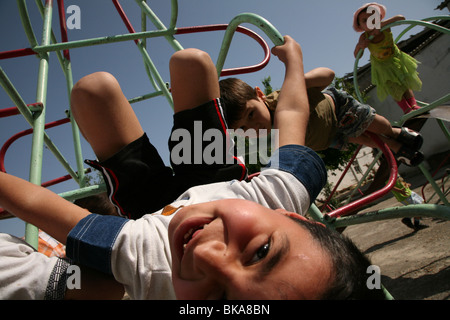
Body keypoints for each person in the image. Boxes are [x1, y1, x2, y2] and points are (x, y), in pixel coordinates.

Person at [0, 36, 386, 300]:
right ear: (299, 219)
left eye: (216, 298)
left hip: (151, 214)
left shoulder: (150, 266)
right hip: (218, 184)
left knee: (91, 90)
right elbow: (291, 113)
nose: (208, 256)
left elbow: (42, 205)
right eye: (260, 252)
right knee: (191, 61)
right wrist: (294, 59)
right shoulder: (278, 193)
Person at [219, 67, 424, 166]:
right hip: (328, 137)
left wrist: (300, 80)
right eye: (243, 129)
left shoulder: (286, 94)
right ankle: (395, 147)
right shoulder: (269, 137)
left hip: (338, 110)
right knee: (364, 139)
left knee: (375, 124)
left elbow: (328, 75)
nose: (253, 126)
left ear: (260, 95)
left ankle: (395, 132)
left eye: (251, 114)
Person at [353, 2, 422, 114]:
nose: (370, 22)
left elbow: (401, 18)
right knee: (393, 87)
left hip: (395, 59)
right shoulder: (364, 37)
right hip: (382, 66)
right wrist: (360, 46)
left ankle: (414, 105)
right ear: (361, 27)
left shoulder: (385, 26)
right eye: (365, 21)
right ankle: (407, 109)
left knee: (404, 83)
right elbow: (357, 55)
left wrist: (383, 24)